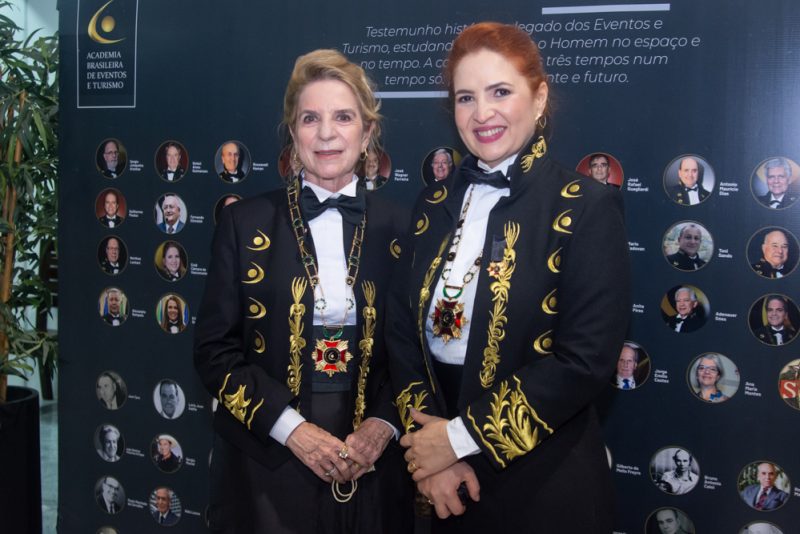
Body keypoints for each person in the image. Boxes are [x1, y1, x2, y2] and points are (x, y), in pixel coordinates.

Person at [386, 23, 630, 532]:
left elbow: (584, 361)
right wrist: (431, 451)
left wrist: (458, 439)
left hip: (546, 484)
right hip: (443, 483)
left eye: (500, 92)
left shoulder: (587, 206)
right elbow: (401, 332)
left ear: (539, 99)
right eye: (466, 98)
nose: (482, 113)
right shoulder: (431, 203)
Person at [194, 49, 413, 533]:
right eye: (310, 119)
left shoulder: (405, 227)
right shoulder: (242, 222)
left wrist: (383, 426)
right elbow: (214, 353)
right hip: (265, 459)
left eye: (343, 117)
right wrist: (291, 430)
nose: (327, 133)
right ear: (293, 134)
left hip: (374, 465)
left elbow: (415, 353)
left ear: (367, 133)